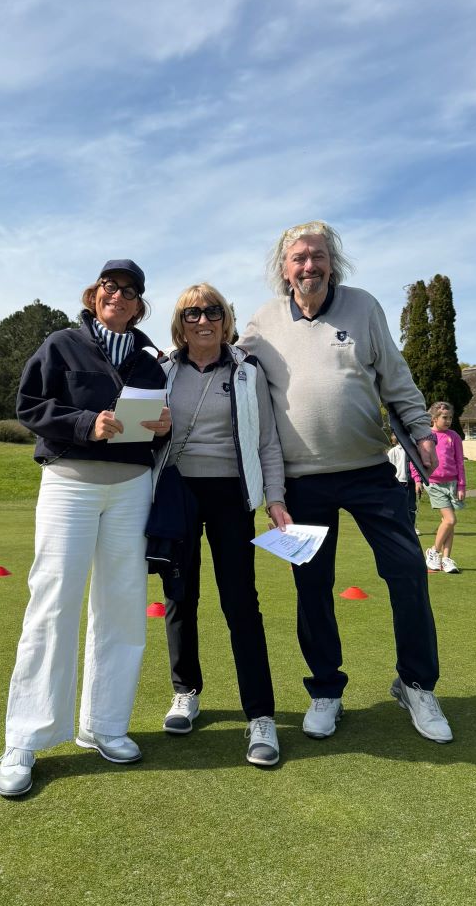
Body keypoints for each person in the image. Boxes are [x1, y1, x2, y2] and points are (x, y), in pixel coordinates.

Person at [241, 221, 453, 744]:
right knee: (312, 588)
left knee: (408, 571)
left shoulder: (363, 306)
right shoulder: (264, 321)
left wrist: (421, 430)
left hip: (369, 472)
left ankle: (416, 684)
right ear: (284, 268)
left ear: (332, 262)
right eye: (298, 258)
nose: (308, 266)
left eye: (317, 256)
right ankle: (326, 691)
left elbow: (396, 376)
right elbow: (230, 367)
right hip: (301, 482)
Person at [0, 259, 170, 797]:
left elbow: (155, 431)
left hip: (132, 488)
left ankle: (104, 725)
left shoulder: (151, 361)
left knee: (122, 606)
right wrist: (83, 423)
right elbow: (29, 406)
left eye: (130, 291)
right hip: (69, 482)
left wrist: (164, 427)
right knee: (53, 603)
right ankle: (25, 738)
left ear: (139, 305)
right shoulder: (62, 344)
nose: (118, 295)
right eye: (110, 286)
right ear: (95, 294)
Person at [156, 283, 291, 767]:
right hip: (178, 494)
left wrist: (275, 498)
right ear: (181, 323)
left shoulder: (248, 371)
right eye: (192, 313)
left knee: (240, 603)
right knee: (180, 595)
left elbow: (267, 441)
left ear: (225, 320)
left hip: (233, 495)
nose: (203, 321)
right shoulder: (162, 372)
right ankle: (186, 691)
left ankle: (260, 715)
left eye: (213, 311)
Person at [422, 402, 466, 574]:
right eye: (444, 417)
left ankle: (446, 559)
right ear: (434, 418)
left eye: (450, 418)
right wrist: (417, 479)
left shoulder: (454, 436)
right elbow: (416, 460)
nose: (448, 421)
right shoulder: (426, 436)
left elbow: (460, 462)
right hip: (434, 483)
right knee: (450, 520)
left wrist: (461, 485)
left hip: (452, 484)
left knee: (448, 523)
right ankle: (434, 551)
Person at [387, 431, 421, 535]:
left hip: (410, 482)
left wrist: (418, 481)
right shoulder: (393, 451)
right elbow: (390, 467)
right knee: (397, 505)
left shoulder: (412, 450)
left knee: (411, 506)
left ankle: (412, 527)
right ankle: (397, 526)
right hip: (398, 481)